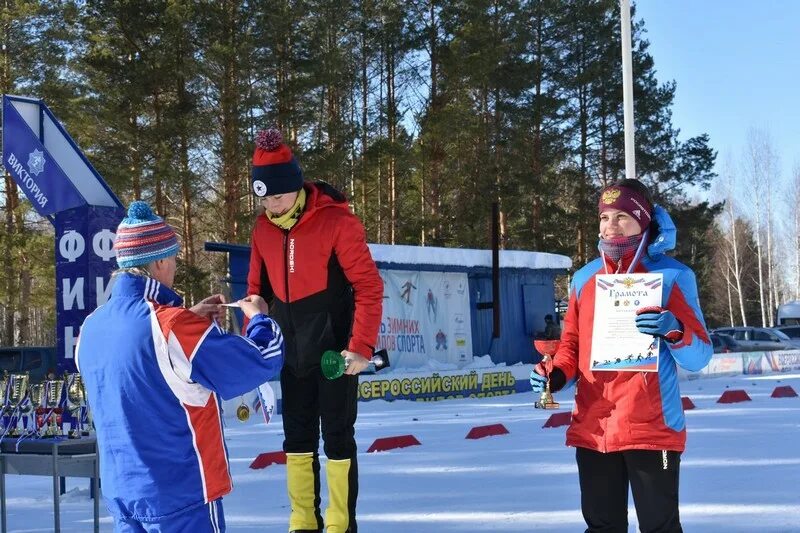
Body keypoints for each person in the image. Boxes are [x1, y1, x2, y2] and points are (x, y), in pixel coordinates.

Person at [76, 201, 284, 533]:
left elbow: (146, 366)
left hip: (124, 496)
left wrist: (190, 320)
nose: (174, 267)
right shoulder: (172, 327)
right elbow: (261, 359)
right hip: (181, 496)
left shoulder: (90, 328)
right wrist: (260, 317)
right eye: (172, 257)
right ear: (158, 261)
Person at [529, 179, 712, 533]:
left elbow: (700, 356)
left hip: (651, 428)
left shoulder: (673, 276)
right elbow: (570, 347)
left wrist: (674, 330)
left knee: (660, 528)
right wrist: (554, 375)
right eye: (604, 217)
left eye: (622, 217)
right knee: (602, 528)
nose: (610, 226)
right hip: (595, 429)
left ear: (643, 221)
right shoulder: (584, 279)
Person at [246, 129, 383, 533]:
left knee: (338, 438)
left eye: (279, 197)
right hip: (293, 356)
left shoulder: (337, 222)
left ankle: (341, 525)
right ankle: (303, 521)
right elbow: (257, 293)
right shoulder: (262, 230)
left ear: (295, 187)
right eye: (265, 199)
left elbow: (369, 287)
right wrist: (253, 330)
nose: (272, 206)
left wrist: (360, 347)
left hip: (335, 355)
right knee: (296, 439)